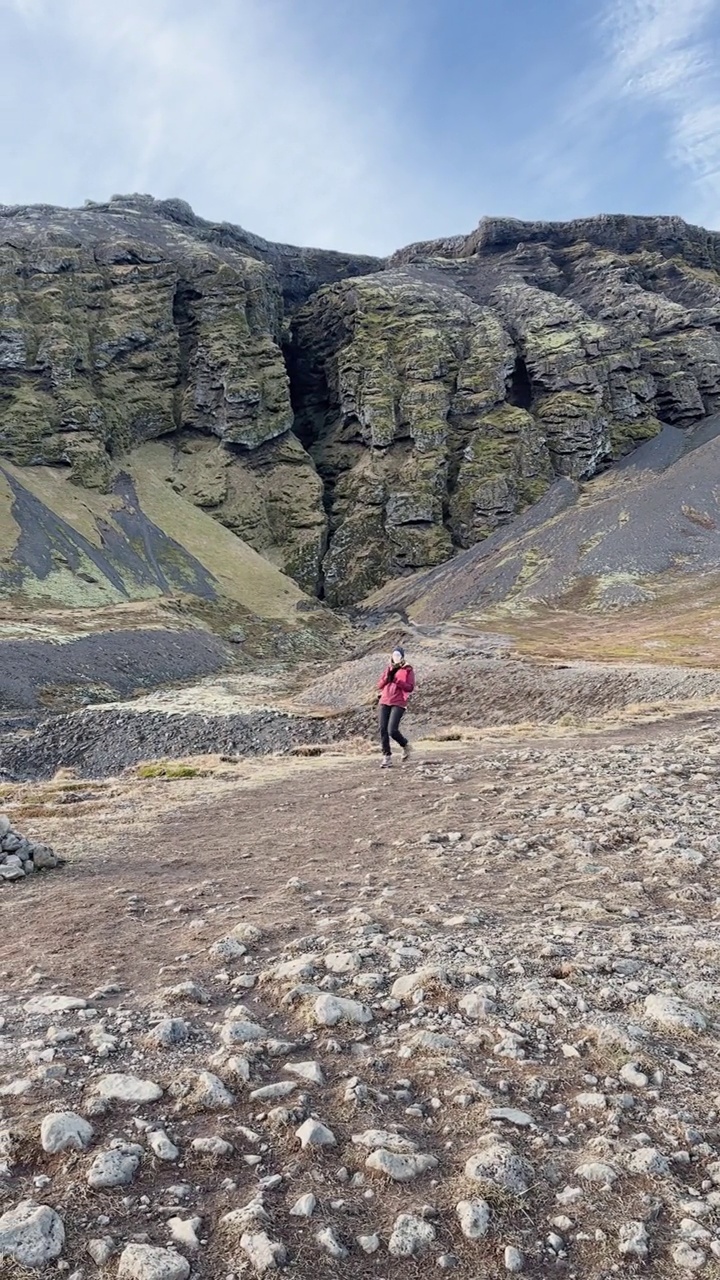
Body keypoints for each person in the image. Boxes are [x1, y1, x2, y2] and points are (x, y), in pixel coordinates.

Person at [377, 646, 415, 768]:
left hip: (398, 701)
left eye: (398, 655)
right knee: (382, 729)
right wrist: (387, 679)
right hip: (385, 700)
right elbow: (379, 684)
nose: (396, 657)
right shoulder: (388, 668)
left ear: (402, 657)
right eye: (394, 655)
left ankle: (405, 745)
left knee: (392, 730)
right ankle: (386, 757)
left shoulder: (408, 669)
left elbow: (410, 687)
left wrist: (397, 681)